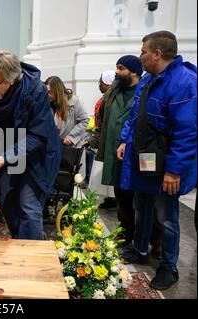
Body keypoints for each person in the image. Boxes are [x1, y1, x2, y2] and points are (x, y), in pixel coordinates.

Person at [117, 31, 197, 290]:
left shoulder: (185, 82)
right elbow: (135, 114)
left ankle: (168, 267)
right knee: (142, 207)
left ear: (157, 54)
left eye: (143, 51)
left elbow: (187, 131)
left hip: (166, 163)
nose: (140, 55)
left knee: (167, 217)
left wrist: (173, 171)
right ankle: (140, 249)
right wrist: (124, 140)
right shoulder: (149, 79)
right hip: (145, 157)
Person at [0, 50, 62, 240]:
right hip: (5, 152)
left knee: (29, 207)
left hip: (37, 156)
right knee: (9, 204)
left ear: (12, 79)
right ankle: (19, 247)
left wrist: (5, 156)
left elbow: (38, 136)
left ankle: (30, 260)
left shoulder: (36, 91)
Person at [85, 55, 162, 250]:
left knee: (146, 200)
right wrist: (93, 141)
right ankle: (125, 233)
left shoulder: (146, 91)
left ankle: (156, 239)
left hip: (140, 155)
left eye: (121, 68)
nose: (117, 72)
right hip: (115, 153)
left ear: (134, 72)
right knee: (122, 198)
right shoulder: (112, 93)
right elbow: (101, 120)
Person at [45, 76, 89, 148]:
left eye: (50, 92)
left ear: (57, 91)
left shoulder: (73, 101)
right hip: (53, 147)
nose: (47, 95)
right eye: (46, 92)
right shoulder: (47, 104)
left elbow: (84, 121)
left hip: (70, 148)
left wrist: (71, 137)